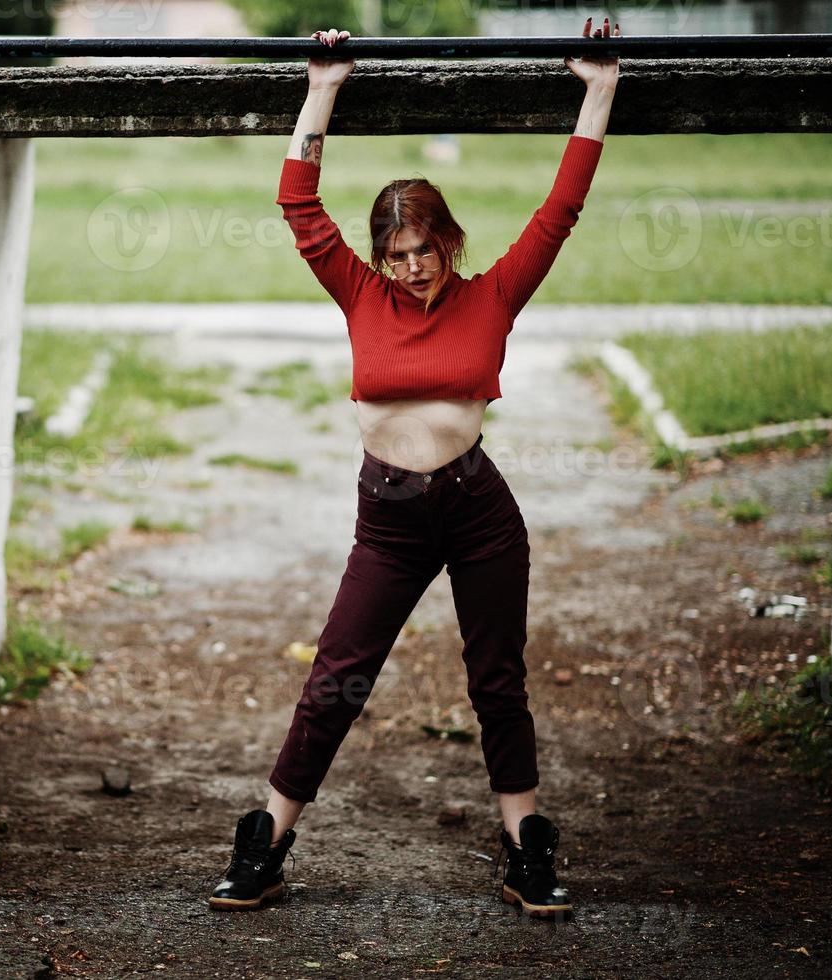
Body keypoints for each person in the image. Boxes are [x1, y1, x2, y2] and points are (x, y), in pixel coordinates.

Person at [208, 19, 621, 918]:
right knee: (334, 682)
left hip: (477, 510)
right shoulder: (358, 291)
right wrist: (323, 86)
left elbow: (561, 207)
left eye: (423, 253)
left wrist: (596, 87)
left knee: (495, 683)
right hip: (388, 519)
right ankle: (266, 843)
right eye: (395, 257)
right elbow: (297, 205)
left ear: (449, 242)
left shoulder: (494, 293)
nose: (410, 271)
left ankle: (525, 847)